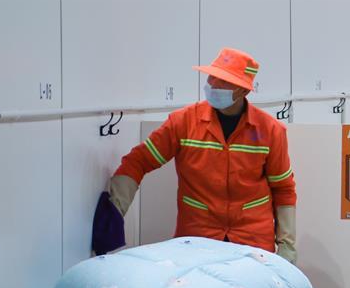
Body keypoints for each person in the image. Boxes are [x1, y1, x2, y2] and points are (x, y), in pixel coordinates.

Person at [92, 47, 297, 263]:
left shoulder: (270, 131)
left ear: (244, 91)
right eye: (213, 77)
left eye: (225, 82)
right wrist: (114, 212)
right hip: (196, 240)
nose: (214, 85)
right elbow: (139, 161)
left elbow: (283, 189)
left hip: (252, 244)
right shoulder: (183, 122)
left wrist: (287, 247)